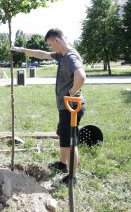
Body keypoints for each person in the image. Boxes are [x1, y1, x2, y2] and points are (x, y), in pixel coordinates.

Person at [12, 28, 86, 185]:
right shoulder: (62, 55)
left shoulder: (71, 57)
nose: (50, 48)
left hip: (71, 108)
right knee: (62, 135)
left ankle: (72, 177)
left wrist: (71, 93)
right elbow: (42, 54)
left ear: (57, 41)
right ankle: (62, 163)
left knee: (71, 143)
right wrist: (21, 50)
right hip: (65, 107)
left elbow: (81, 76)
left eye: (51, 44)